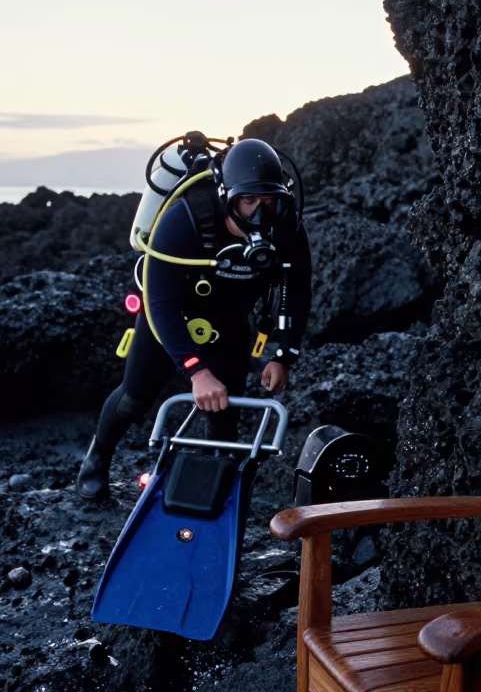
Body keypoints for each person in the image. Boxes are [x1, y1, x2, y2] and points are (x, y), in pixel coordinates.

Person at [76, 139, 311, 500]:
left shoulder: (287, 227)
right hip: (170, 316)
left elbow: (296, 292)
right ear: (227, 196)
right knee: (135, 397)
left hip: (229, 320)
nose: (259, 213)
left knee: (224, 413)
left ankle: (213, 496)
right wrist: (197, 372)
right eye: (248, 201)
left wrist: (283, 356)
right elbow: (160, 304)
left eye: (269, 201)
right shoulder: (185, 219)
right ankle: (98, 458)